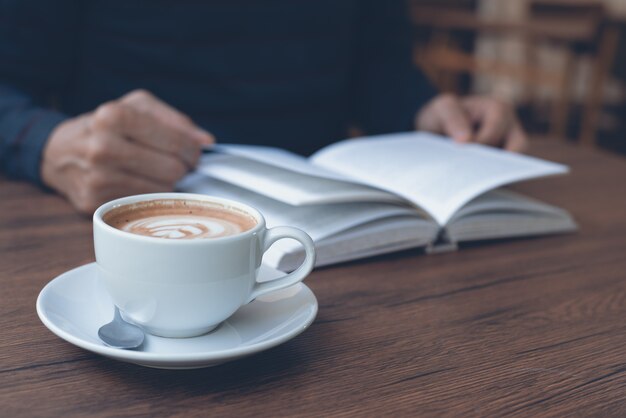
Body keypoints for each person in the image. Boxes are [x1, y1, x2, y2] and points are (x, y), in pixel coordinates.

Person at [0, 1, 527, 214]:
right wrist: (45, 144)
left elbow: (377, 65)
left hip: (334, 220)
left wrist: (428, 110)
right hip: (133, 217)